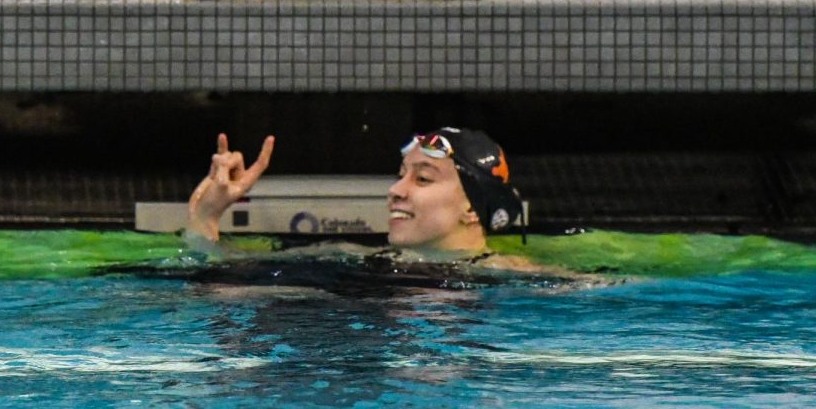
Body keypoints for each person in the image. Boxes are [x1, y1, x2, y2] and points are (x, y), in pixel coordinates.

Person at [187, 127, 552, 273]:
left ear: (472, 208)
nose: (395, 190)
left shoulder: (520, 281)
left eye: (422, 178)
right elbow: (216, 278)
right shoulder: (355, 261)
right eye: (400, 175)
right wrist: (207, 216)